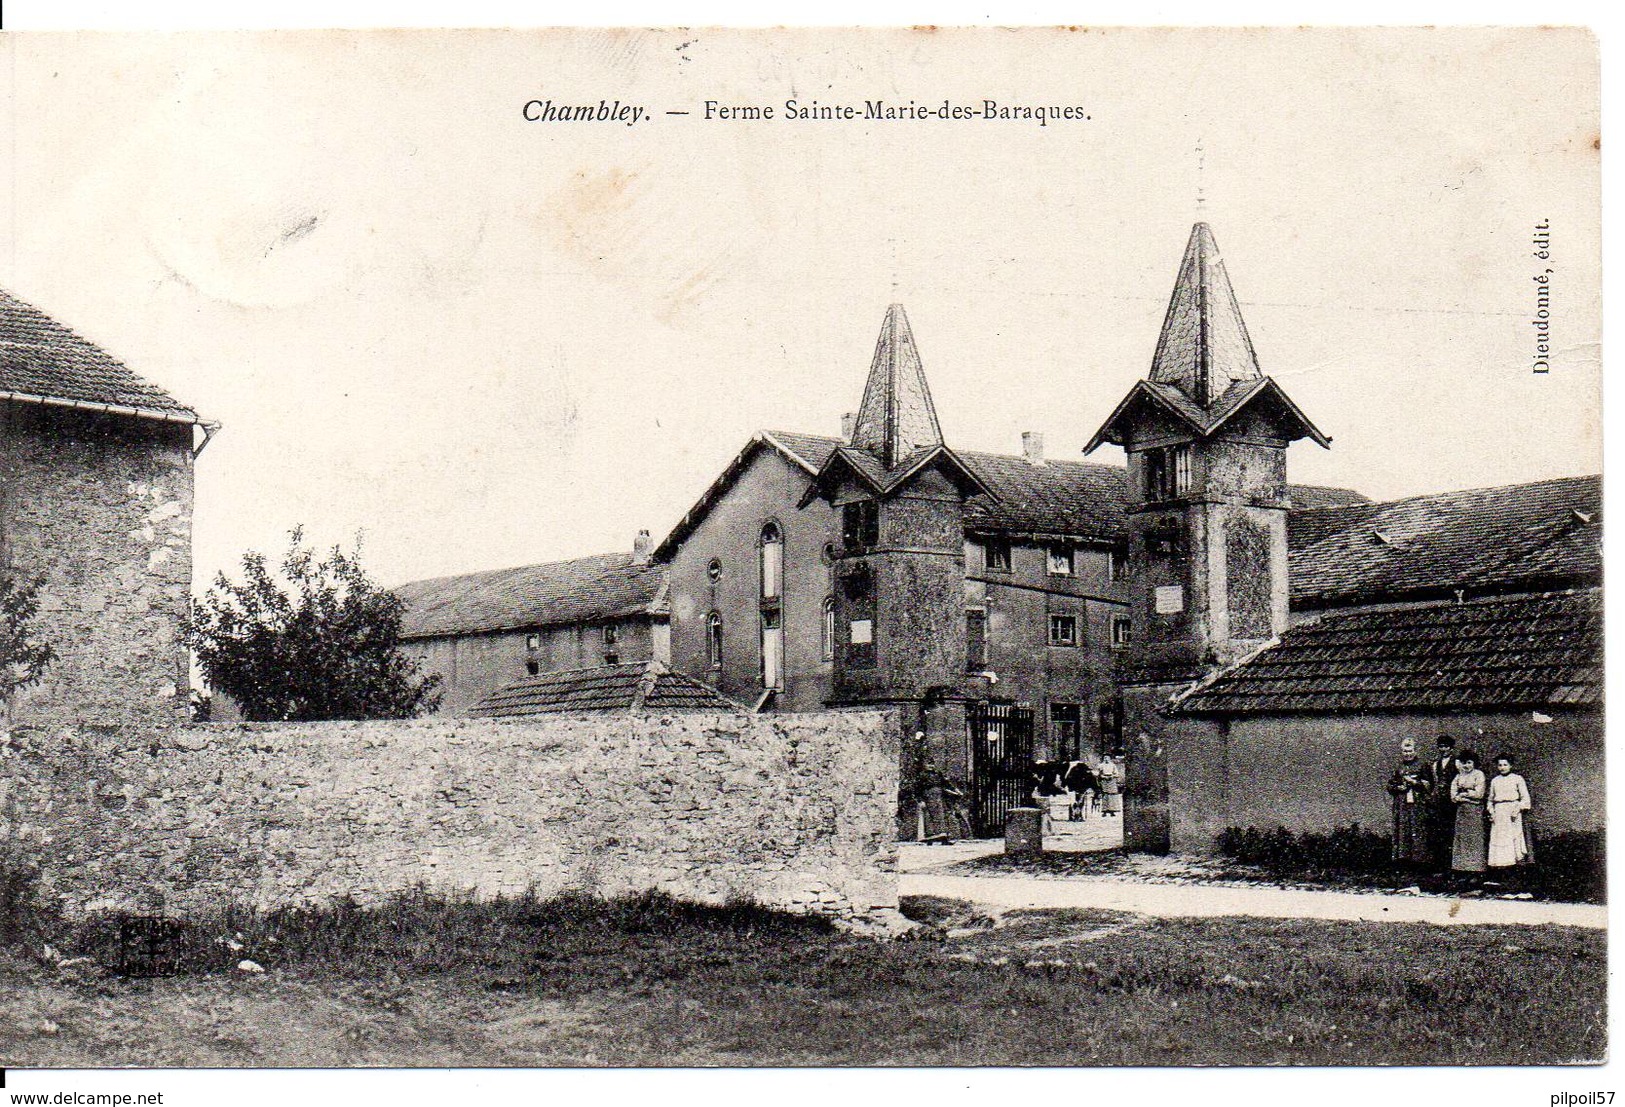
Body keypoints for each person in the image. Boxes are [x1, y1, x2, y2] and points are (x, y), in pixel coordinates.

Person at [1387, 737, 1432, 867]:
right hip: (1402, 804)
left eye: (1410, 750)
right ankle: (1403, 861)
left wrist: (1415, 782)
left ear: (1415, 751)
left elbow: (1429, 785)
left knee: (1418, 831)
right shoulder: (1399, 767)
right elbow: (1390, 785)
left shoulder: (1423, 765)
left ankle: (1419, 862)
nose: (1408, 754)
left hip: (1418, 804)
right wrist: (1398, 788)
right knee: (1403, 831)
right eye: (1405, 751)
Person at [1487, 754, 1534, 869]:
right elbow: (1490, 800)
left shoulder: (1517, 779)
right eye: (1500, 765)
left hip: (1513, 812)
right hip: (1499, 812)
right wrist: (1492, 812)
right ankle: (1501, 869)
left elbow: (1525, 799)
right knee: (1500, 839)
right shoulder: (1495, 781)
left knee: (1514, 838)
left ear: (1510, 765)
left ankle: (1515, 868)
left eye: (1505, 765)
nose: (1502, 767)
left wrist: (1517, 809)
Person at [1448, 749, 1488, 877]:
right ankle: (1462, 869)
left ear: (1474, 763)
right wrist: (1462, 796)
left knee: (1474, 838)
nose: (1467, 766)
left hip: (1475, 811)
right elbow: (1453, 796)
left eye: (1469, 762)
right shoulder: (1459, 775)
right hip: (1462, 811)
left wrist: (1465, 793)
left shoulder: (1479, 775)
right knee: (1462, 839)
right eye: (1464, 763)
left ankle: (1476, 870)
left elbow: (1479, 794)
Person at [1425, 735, 1461, 869]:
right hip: (1440, 802)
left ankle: (1453, 865)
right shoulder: (1435, 764)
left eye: (1446, 746)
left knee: (1452, 831)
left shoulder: (1457, 762)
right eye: (1441, 747)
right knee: (1440, 832)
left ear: (1451, 748)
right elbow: (1435, 781)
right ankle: (1441, 864)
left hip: (1452, 801)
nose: (1443, 749)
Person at [1098, 750, 1124, 817]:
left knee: (1112, 796)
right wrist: (1103, 776)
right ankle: (1104, 811)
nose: (1106, 759)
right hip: (1104, 781)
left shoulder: (1113, 765)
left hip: (1112, 781)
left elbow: (1117, 774)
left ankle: (1112, 811)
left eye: (1107, 758)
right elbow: (1098, 774)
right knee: (1105, 796)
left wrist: (1112, 776)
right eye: (1105, 758)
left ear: (1110, 758)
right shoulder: (1101, 766)